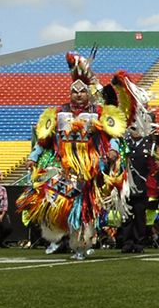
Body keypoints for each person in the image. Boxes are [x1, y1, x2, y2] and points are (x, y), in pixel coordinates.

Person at [16, 53, 125, 260]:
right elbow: (43, 140)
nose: (78, 96)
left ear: (88, 94)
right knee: (55, 201)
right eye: (74, 92)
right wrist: (33, 157)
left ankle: (81, 245)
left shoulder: (99, 112)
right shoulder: (58, 113)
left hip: (89, 167)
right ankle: (60, 238)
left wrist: (114, 150)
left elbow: (114, 135)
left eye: (82, 92)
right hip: (64, 166)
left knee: (82, 207)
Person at [118, 119, 159, 253]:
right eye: (133, 128)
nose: (135, 131)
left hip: (142, 184)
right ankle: (127, 242)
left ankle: (139, 242)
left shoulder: (149, 144)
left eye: (138, 128)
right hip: (126, 184)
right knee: (126, 215)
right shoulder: (125, 143)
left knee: (140, 215)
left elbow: (153, 166)